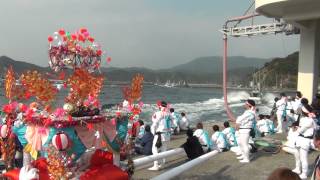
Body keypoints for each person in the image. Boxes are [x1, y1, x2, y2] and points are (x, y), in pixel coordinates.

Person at [292, 99, 316, 179]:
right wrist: (297, 128)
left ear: (304, 112)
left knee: (303, 158)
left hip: (305, 140)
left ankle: (304, 173)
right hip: (300, 139)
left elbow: (300, 130)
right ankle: (298, 169)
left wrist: (296, 129)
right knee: (297, 155)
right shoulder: (306, 119)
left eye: (302, 110)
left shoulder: (309, 120)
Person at [149, 101, 174, 171]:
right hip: (167, 134)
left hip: (159, 134)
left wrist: (153, 133)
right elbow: (173, 124)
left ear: (159, 106)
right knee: (164, 149)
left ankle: (156, 165)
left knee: (154, 149)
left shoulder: (158, 113)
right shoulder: (169, 114)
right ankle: (162, 164)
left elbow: (154, 124)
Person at [235, 99, 256, 163]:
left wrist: (237, 122)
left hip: (245, 130)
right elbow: (240, 118)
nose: (244, 105)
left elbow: (240, 118)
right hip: (243, 129)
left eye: (245, 104)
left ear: (248, 105)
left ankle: (247, 159)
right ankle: (244, 156)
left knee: (245, 144)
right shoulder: (248, 112)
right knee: (241, 143)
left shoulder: (250, 112)